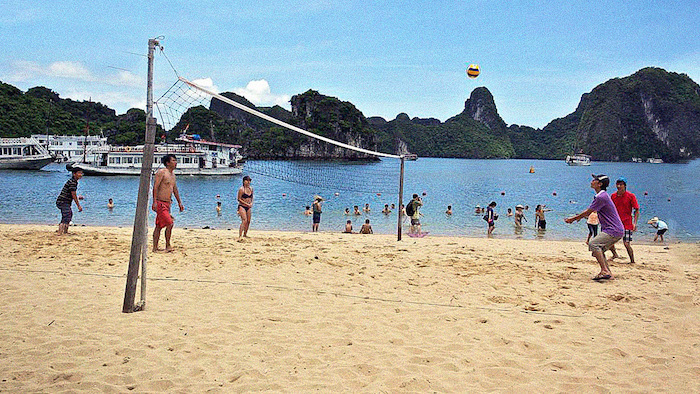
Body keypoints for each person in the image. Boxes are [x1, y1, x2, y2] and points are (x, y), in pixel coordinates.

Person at [565, 174, 624, 281]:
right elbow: (590, 212)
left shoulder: (601, 197)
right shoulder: (602, 196)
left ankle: (604, 270)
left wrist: (572, 219)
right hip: (615, 229)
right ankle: (608, 273)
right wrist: (579, 218)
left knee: (593, 244)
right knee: (598, 249)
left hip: (613, 230)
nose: (591, 181)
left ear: (600, 184)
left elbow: (588, 211)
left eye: (594, 180)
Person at [152, 154, 184, 252]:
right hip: (160, 203)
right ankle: (168, 246)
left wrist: (179, 202)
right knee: (170, 223)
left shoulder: (173, 175)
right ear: (167, 163)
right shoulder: (162, 172)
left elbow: (175, 189)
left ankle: (155, 248)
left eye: (176, 160)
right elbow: (156, 187)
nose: (176, 163)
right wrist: (154, 202)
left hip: (167, 203)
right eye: (173, 160)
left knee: (159, 226)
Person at [609, 177, 640, 264]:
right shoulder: (613, 196)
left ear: (625, 186)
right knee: (610, 240)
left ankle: (632, 261)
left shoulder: (631, 196)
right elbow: (610, 209)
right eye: (617, 184)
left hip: (627, 223)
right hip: (616, 222)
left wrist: (635, 223)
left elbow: (636, 210)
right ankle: (615, 254)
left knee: (626, 243)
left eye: (621, 184)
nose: (619, 186)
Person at [56, 168, 83, 235]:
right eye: (79, 173)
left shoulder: (73, 181)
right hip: (63, 201)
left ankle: (65, 232)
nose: (81, 175)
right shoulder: (72, 182)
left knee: (68, 214)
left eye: (81, 173)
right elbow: (73, 194)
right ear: (74, 174)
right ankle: (60, 232)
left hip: (65, 201)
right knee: (67, 215)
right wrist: (78, 205)